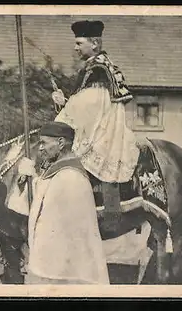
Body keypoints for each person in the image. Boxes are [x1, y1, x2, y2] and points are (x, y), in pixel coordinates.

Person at [52, 20, 140, 226]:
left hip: (103, 131)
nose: (75, 48)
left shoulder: (99, 70)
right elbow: (86, 105)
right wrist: (64, 103)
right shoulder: (95, 67)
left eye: (79, 43)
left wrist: (64, 107)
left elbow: (92, 106)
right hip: (97, 126)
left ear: (94, 43)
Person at [17, 121, 110, 284]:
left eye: (44, 143)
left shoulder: (70, 177)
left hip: (64, 273)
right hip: (54, 267)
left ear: (60, 143)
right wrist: (31, 177)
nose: (40, 148)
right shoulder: (59, 172)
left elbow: (53, 226)